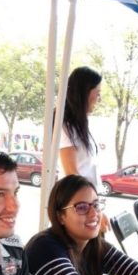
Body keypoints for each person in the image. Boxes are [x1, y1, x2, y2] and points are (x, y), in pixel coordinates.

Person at [58, 66, 109, 232]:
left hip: (89, 204)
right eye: (98, 92)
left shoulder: (81, 125)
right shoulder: (65, 125)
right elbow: (72, 173)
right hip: (81, 208)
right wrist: (94, 210)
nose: (99, 99)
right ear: (85, 91)